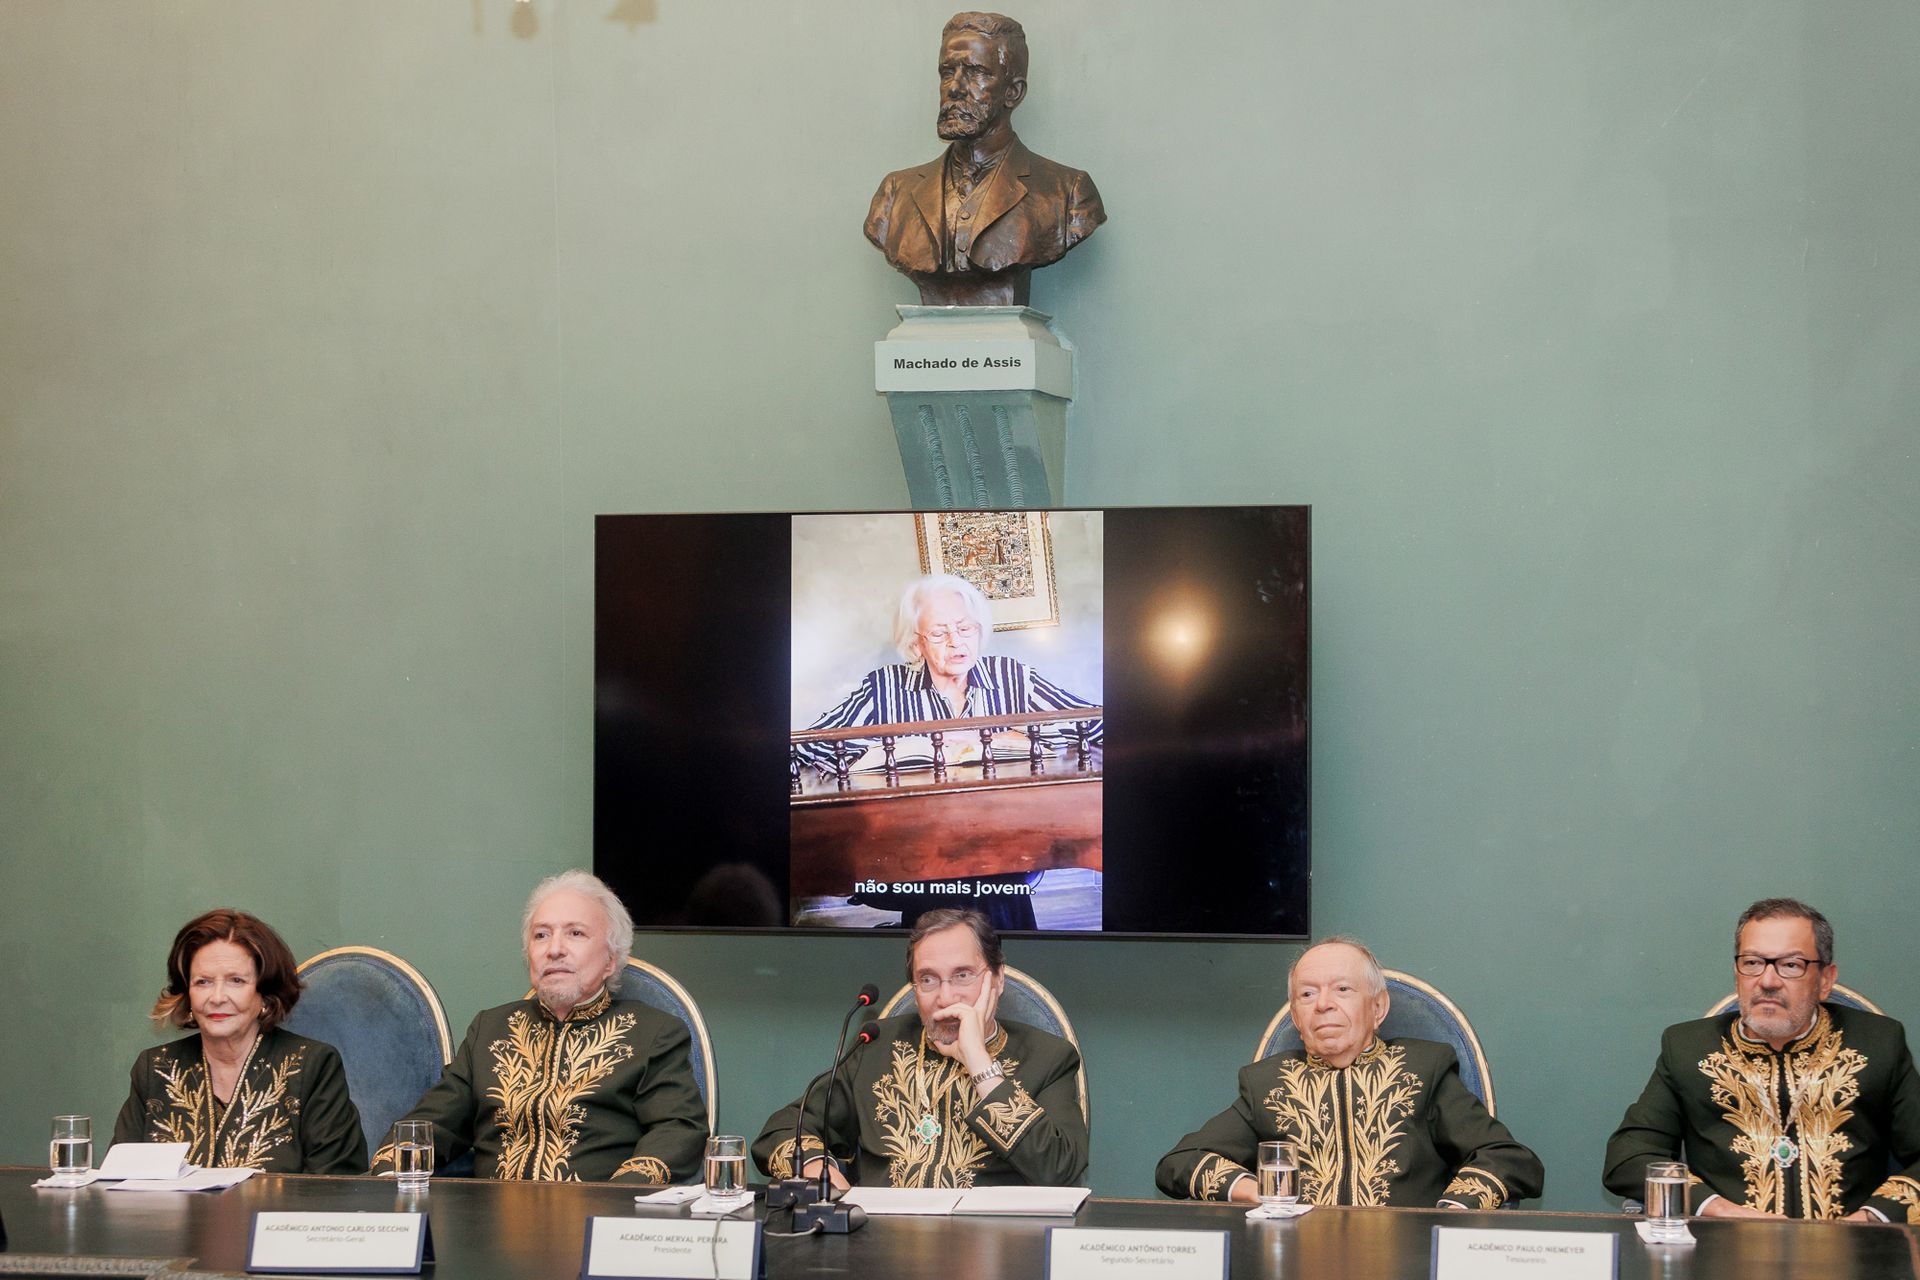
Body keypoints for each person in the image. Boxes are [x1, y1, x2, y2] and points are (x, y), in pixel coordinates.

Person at [1156, 937, 1543, 1208]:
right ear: (1296, 1017)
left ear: (1378, 1008)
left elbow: (1511, 1160)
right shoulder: (1268, 1083)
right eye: (1307, 994)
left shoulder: (1425, 1070)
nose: (1322, 1004)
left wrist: (1447, 1214)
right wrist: (1254, 1190)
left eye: (1342, 989)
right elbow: (1180, 1161)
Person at [371, 870, 706, 1183]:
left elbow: (678, 1129)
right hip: (487, 1228)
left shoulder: (653, 1032)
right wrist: (389, 1178)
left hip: (595, 1225)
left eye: (575, 933)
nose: (555, 949)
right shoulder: (490, 1030)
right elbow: (435, 1122)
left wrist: (620, 1198)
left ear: (611, 959)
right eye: (541, 935)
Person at [1602, 898, 1920, 1222]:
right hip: (1724, 1259)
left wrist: (1870, 1220)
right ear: (1737, 973)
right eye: (1753, 963)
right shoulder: (1688, 1049)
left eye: (1791, 965)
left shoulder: (1879, 1044)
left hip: (1854, 1260)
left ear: (1825, 980)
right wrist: (1718, 1209)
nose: (1767, 981)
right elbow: (1627, 1157)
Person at [753, 908, 1087, 1188]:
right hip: (880, 1250)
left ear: (996, 979)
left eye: (963, 976)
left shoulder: (1048, 1057)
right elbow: (785, 1128)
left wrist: (979, 1064)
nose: (945, 998)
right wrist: (817, 1167)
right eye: (928, 980)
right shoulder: (878, 1046)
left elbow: (1060, 1169)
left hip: (994, 1252)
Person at [865, 12, 1105, 306]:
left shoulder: (1068, 193)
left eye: (976, 71)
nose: (954, 87)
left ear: (1013, 92)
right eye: (947, 72)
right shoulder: (895, 193)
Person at [113, 909, 367, 1173]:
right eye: (203, 982)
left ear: (265, 995)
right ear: (187, 995)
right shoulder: (155, 1069)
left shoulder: (312, 1067)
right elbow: (119, 1183)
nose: (217, 996)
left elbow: (336, 1189)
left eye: (236, 981)